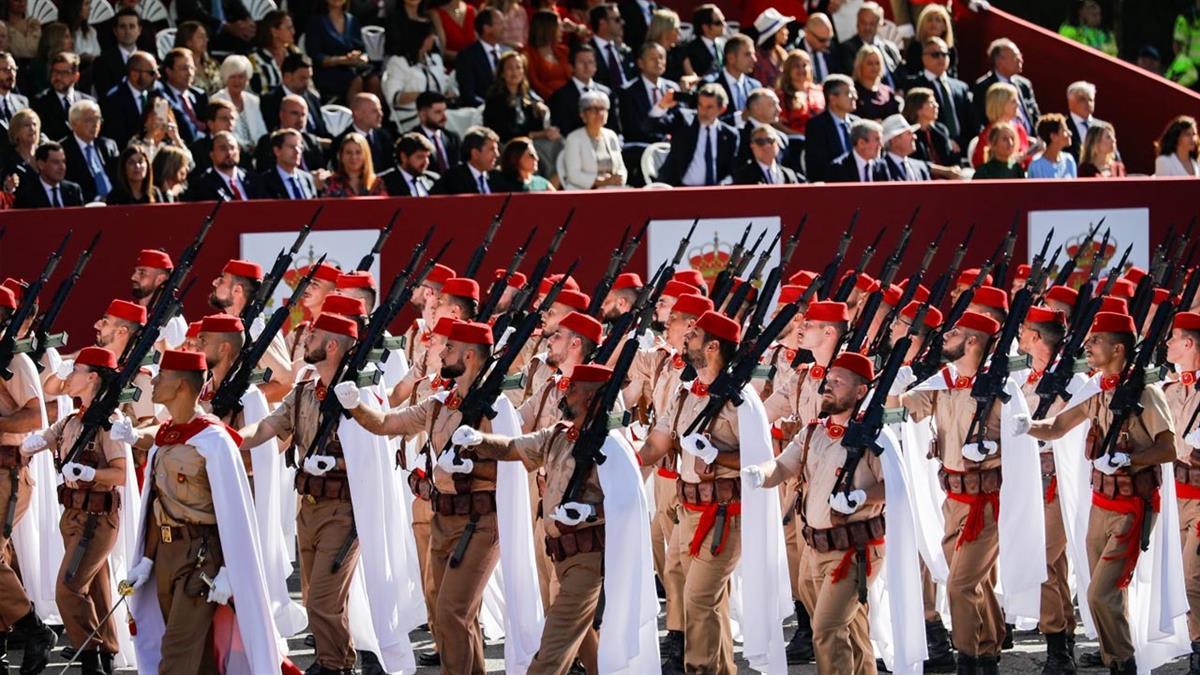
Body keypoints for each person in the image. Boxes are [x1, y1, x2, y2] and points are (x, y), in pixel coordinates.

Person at [334, 321, 510, 674]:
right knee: (453, 612)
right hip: (443, 518)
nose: (441, 353)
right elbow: (386, 424)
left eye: (449, 349)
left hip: (480, 522)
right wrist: (355, 406)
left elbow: (515, 463)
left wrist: (474, 459)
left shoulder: (496, 407)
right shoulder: (439, 403)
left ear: (469, 356)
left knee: (452, 611)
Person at [1021, 312, 1177, 675]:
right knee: (1106, 597)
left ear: (1118, 348)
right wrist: (1026, 426)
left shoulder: (1145, 393)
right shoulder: (1096, 389)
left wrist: (1132, 459)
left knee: (1099, 594)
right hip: (1100, 504)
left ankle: (1125, 664)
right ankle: (1115, 661)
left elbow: (1168, 448)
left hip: (1131, 506)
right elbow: (1059, 426)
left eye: (1096, 340)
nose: (1087, 346)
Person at [121, 349, 284, 674]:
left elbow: (233, 512)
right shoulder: (165, 438)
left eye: (162, 376)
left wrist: (228, 569)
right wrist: (148, 559)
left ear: (182, 385)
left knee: (176, 655)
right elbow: (156, 505)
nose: (154, 382)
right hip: (165, 558)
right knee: (202, 657)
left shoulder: (213, 440)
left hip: (201, 559)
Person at [745, 352, 885, 674]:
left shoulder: (872, 436)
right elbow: (782, 466)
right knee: (852, 629)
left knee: (827, 629)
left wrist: (863, 496)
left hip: (853, 551)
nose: (828, 385)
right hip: (814, 549)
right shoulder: (814, 432)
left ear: (860, 391)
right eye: (829, 379)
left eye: (839, 381)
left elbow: (893, 486)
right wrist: (759, 473)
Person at [636, 310, 758, 674]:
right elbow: (657, 443)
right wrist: (619, 466)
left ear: (713, 347)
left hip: (724, 515)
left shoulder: (741, 400)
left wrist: (717, 454)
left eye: (695, 334)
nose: (686, 337)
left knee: (699, 600)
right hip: (687, 511)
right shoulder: (686, 392)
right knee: (706, 600)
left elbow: (761, 459)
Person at [889, 311, 1007, 674]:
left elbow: (1022, 443)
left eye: (956, 332)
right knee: (977, 582)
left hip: (988, 502)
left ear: (973, 342)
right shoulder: (943, 382)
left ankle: (968, 658)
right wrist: (897, 370)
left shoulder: (1000, 387)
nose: (946, 336)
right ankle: (988, 652)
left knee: (959, 585)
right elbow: (900, 412)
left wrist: (993, 448)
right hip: (953, 500)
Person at [20, 347, 131, 675]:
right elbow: (46, 439)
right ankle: (106, 653)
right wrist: (31, 445)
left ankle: (89, 654)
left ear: (93, 377)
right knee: (95, 588)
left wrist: (92, 475)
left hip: (96, 520)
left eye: (76, 370)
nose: (69, 377)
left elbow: (121, 473)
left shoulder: (109, 423)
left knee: (68, 588)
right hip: (72, 517)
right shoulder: (72, 421)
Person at [656, 82, 737, 187]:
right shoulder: (684, 121)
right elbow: (649, 127)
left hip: (714, 193)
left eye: (709, 107)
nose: (703, 111)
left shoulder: (730, 135)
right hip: (679, 190)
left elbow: (732, 171)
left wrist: (722, 185)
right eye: (700, 105)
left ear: (722, 109)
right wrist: (662, 106)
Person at [381, 19, 451, 132]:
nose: (434, 39)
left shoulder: (435, 60)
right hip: (413, 115)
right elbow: (393, 97)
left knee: (467, 114)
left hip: (439, 110)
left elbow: (444, 84)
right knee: (454, 119)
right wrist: (423, 96)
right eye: (430, 36)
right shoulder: (398, 63)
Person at [483, 51, 560, 156]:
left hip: (528, 141)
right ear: (502, 73)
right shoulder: (495, 98)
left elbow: (534, 125)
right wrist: (539, 135)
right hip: (507, 145)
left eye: (518, 67)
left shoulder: (526, 96)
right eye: (510, 68)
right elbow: (504, 133)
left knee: (559, 142)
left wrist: (541, 115)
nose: (514, 72)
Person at [906, 36, 973, 154]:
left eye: (945, 54)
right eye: (935, 54)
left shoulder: (961, 87)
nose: (941, 58)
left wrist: (964, 144)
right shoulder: (913, 84)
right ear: (923, 57)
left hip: (962, 149)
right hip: (932, 148)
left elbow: (970, 121)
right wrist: (945, 140)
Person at [971, 38, 1041, 138]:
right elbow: (979, 122)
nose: (1020, 59)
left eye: (1020, 55)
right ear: (999, 61)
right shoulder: (983, 87)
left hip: (1031, 143)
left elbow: (1036, 116)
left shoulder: (1024, 84)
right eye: (1015, 56)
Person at [561, 89, 626, 190]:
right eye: (593, 109)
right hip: (584, 192)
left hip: (612, 189)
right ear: (582, 114)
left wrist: (619, 178)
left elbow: (621, 168)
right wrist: (601, 181)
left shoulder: (611, 135)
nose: (599, 113)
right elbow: (573, 175)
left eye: (603, 109)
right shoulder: (574, 138)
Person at [617, 41, 680, 144]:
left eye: (661, 57)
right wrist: (659, 108)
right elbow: (634, 129)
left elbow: (678, 120)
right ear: (640, 63)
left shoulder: (673, 88)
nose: (658, 61)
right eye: (652, 58)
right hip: (642, 149)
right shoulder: (627, 92)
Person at [98, 50, 161, 149]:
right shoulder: (113, 101)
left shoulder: (158, 94)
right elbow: (119, 140)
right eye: (152, 72)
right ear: (134, 74)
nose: (158, 76)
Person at [548, 44, 615, 136]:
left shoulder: (606, 93)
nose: (586, 66)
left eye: (590, 62)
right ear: (571, 66)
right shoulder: (560, 96)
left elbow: (613, 125)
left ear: (596, 66)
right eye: (581, 62)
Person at [260, 53, 331, 139]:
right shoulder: (269, 101)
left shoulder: (313, 98)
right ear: (287, 77)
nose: (307, 83)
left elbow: (322, 131)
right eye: (303, 78)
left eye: (309, 78)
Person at [804, 74, 859, 183]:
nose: (854, 97)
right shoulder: (816, 126)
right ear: (832, 98)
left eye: (854, 92)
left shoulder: (858, 123)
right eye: (848, 93)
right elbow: (817, 168)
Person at [61, 99, 117, 203]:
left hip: (114, 204)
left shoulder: (108, 145)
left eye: (98, 119)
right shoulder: (63, 150)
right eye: (89, 120)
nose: (95, 124)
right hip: (85, 206)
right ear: (74, 124)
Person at [835, 2, 901, 89]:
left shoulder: (889, 48)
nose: (867, 28)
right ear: (857, 23)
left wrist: (900, 90)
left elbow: (902, 75)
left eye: (872, 24)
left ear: (880, 24)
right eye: (863, 23)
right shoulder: (846, 49)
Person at [254, 94, 327, 171]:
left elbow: (322, 169)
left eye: (303, 115)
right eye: (294, 113)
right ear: (281, 114)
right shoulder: (268, 142)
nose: (300, 119)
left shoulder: (312, 141)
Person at [187, 129, 265, 200]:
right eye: (223, 148)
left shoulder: (254, 180)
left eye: (232, 148)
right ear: (212, 155)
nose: (229, 153)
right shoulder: (203, 185)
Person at [31, 51, 91, 142]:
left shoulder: (88, 102)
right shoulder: (40, 102)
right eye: (55, 72)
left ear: (76, 76)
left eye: (64, 73)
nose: (58, 77)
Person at [455, 7, 508, 107]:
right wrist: (490, 107)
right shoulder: (467, 56)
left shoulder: (508, 52)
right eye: (500, 23)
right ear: (487, 28)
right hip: (482, 113)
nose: (505, 27)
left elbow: (523, 86)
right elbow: (468, 95)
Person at [970, 82, 1031, 169]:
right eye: (1013, 101)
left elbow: (1028, 162)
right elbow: (980, 164)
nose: (1018, 104)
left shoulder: (1019, 128)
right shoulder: (990, 133)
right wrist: (1011, 161)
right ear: (1000, 104)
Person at [212, 54, 267, 148]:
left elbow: (261, 131)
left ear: (247, 79)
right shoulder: (217, 100)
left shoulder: (253, 100)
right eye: (232, 77)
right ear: (226, 78)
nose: (237, 81)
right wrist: (246, 147)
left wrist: (259, 146)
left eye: (241, 77)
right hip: (231, 148)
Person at [128, 94, 194, 168]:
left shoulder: (173, 144)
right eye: (154, 115)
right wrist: (150, 136)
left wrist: (176, 138)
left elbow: (190, 165)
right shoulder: (136, 142)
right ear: (145, 121)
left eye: (163, 116)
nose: (158, 121)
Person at [431, 124, 500, 194]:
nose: (497, 154)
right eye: (492, 149)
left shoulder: (497, 178)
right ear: (475, 153)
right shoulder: (452, 180)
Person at [706, 33, 761, 119]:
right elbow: (709, 119)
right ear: (731, 58)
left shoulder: (755, 86)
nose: (754, 59)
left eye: (754, 54)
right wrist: (740, 117)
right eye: (747, 54)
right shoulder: (711, 85)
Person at [14, 141, 84, 207]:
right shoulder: (27, 195)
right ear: (41, 164)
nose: (62, 167)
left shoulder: (73, 191)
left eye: (63, 161)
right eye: (56, 162)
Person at [904, 86, 960, 166]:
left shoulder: (941, 130)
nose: (936, 105)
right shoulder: (908, 133)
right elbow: (915, 164)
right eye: (931, 102)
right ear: (918, 109)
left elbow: (949, 159)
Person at [91, 8, 140, 98]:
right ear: (115, 31)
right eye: (122, 26)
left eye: (132, 26)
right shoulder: (102, 62)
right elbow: (104, 95)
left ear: (139, 30)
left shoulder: (151, 59)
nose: (127, 31)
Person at [174, 0, 255, 54]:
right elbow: (196, 13)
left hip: (228, 35)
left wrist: (248, 23)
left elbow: (240, 10)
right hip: (204, 35)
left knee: (249, 40)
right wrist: (226, 27)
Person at [249, 10, 300, 95]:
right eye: (289, 28)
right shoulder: (256, 59)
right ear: (274, 31)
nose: (293, 32)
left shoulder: (295, 52)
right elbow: (261, 92)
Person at [776, 49, 825, 135]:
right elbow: (777, 123)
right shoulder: (781, 96)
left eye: (804, 65)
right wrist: (800, 136)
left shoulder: (820, 91)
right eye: (796, 66)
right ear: (788, 69)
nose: (801, 69)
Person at [524, 10, 570, 100]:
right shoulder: (528, 53)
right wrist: (556, 98)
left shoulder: (564, 51)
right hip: (547, 100)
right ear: (547, 29)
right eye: (559, 26)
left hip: (569, 99)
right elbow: (534, 83)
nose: (562, 30)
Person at [323, 131, 387, 196]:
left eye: (358, 152)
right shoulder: (330, 182)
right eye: (348, 152)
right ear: (341, 156)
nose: (353, 157)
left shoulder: (376, 183)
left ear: (366, 155)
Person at [732, 124, 801, 184]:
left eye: (770, 140)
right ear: (752, 146)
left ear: (777, 144)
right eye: (760, 142)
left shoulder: (789, 174)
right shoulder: (742, 175)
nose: (766, 145)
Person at [589, 3, 634, 92]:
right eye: (617, 19)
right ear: (602, 23)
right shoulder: (588, 51)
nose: (622, 22)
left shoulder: (625, 50)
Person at [903, 4, 957, 80]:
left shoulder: (950, 49)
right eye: (929, 20)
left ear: (945, 26)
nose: (933, 23)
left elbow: (953, 75)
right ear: (922, 24)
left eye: (938, 20)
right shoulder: (915, 48)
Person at [827, 118, 887, 182]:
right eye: (877, 139)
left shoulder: (881, 165)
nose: (881, 145)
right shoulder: (838, 168)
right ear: (861, 143)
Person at [378, 131, 436, 195]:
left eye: (427, 157)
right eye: (420, 157)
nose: (426, 162)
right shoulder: (384, 182)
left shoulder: (433, 179)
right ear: (404, 157)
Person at [414, 91, 459, 174]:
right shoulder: (412, 140)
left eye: (444, 111)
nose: (444, 117)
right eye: (438, 112)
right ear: (423, 115)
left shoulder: (452, 138)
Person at [880, 113, 934, 181]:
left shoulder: (921, 168)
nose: (915, 137)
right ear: (895, 140)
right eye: (909, 133)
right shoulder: (879, 169)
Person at [852, 45, 900, 121]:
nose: (875, 67)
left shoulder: (888, 91)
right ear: (860, 65)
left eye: (877, 63)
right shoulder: (853, 91)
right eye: (870, 63)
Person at [678, 3, 725, 78]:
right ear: (705, 27)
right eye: (718, 23)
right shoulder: (689, 50)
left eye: (724, 20)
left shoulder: (726, 45)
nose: (724, 25)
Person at [752, 8, 792, 92]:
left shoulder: (782, 53)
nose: (787, 31)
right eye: (784, 28)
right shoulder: (758, 58)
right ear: (775, 32)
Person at [174, 21, 220, 95]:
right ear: (188, 42)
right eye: (200, 37)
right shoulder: (181, 69)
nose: (206, 40)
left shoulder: (212, 65)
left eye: (206, 36)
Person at [1027, 113, 1078, 179]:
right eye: (1064, 130)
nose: (1070, 133)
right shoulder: (1036, 166)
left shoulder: (1069, 160)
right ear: (1053, 136)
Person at [1065, 80, 1105, 161]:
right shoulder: (1063, 127)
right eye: (1082, 99)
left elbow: (1115, 157)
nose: (1088, 103)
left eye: (1090, 100)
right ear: (1070, 102)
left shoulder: (1103, 127)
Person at [1, 107, 41, 184]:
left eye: (34, 124)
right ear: (16, 131)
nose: (32, 128)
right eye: (26, 125)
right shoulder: (7, 159)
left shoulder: (46, 153)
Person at [432, 0, 478, 66]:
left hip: (473, 69)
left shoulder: (472, 11)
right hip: (449, 71)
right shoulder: (436, 14)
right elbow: (441, 52)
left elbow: (479, 47)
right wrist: (468, 58)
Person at [799, 13, 836, 84]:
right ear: (807, 33)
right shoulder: (795, 51)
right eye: (822, 40)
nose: (827, 44)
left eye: (829, 39)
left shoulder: (833, 49)